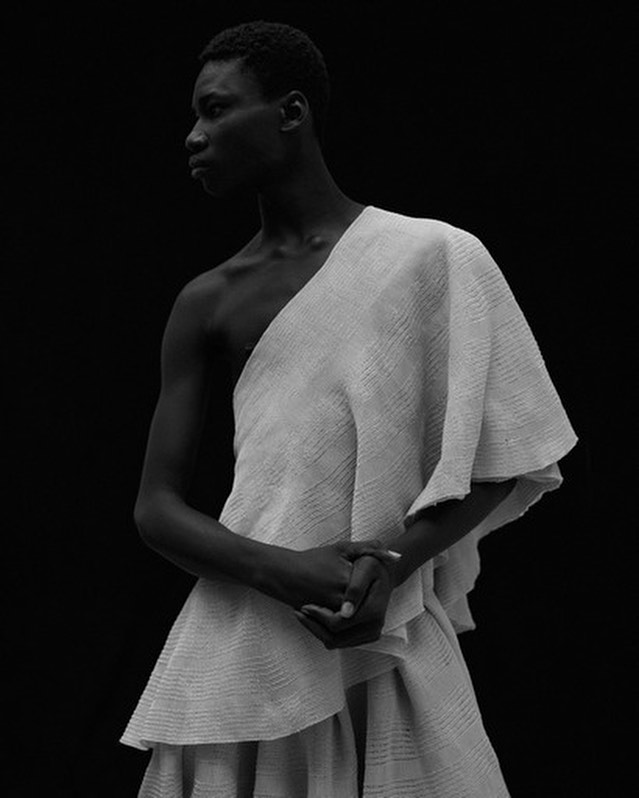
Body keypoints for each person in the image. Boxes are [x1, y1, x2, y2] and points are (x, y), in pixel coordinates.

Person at [120, 20, 578, 797]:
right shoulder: (206, 302)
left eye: (215, 109)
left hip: (381, 630)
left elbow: (507, 452)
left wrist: (391, 568)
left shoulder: (434, 256)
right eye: (195, 117)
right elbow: (155, 509)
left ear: (290, 112)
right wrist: (285, 572)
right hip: (244, 641)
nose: (194, 136)